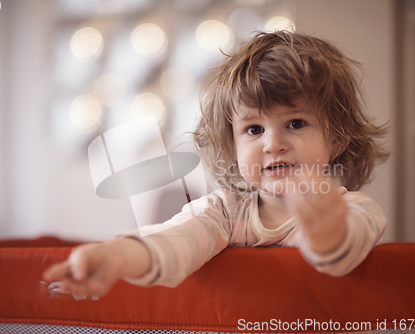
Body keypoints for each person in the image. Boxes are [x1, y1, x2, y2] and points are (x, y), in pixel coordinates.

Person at [43, 30, 389, 296]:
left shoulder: (354, 209)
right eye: (254, 129)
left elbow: (346, 248)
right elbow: (178, 240)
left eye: (295, 123)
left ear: (338, 137)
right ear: (233, 144)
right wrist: (117, 257)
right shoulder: (224, 212)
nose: (273, 144)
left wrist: (326, 231)